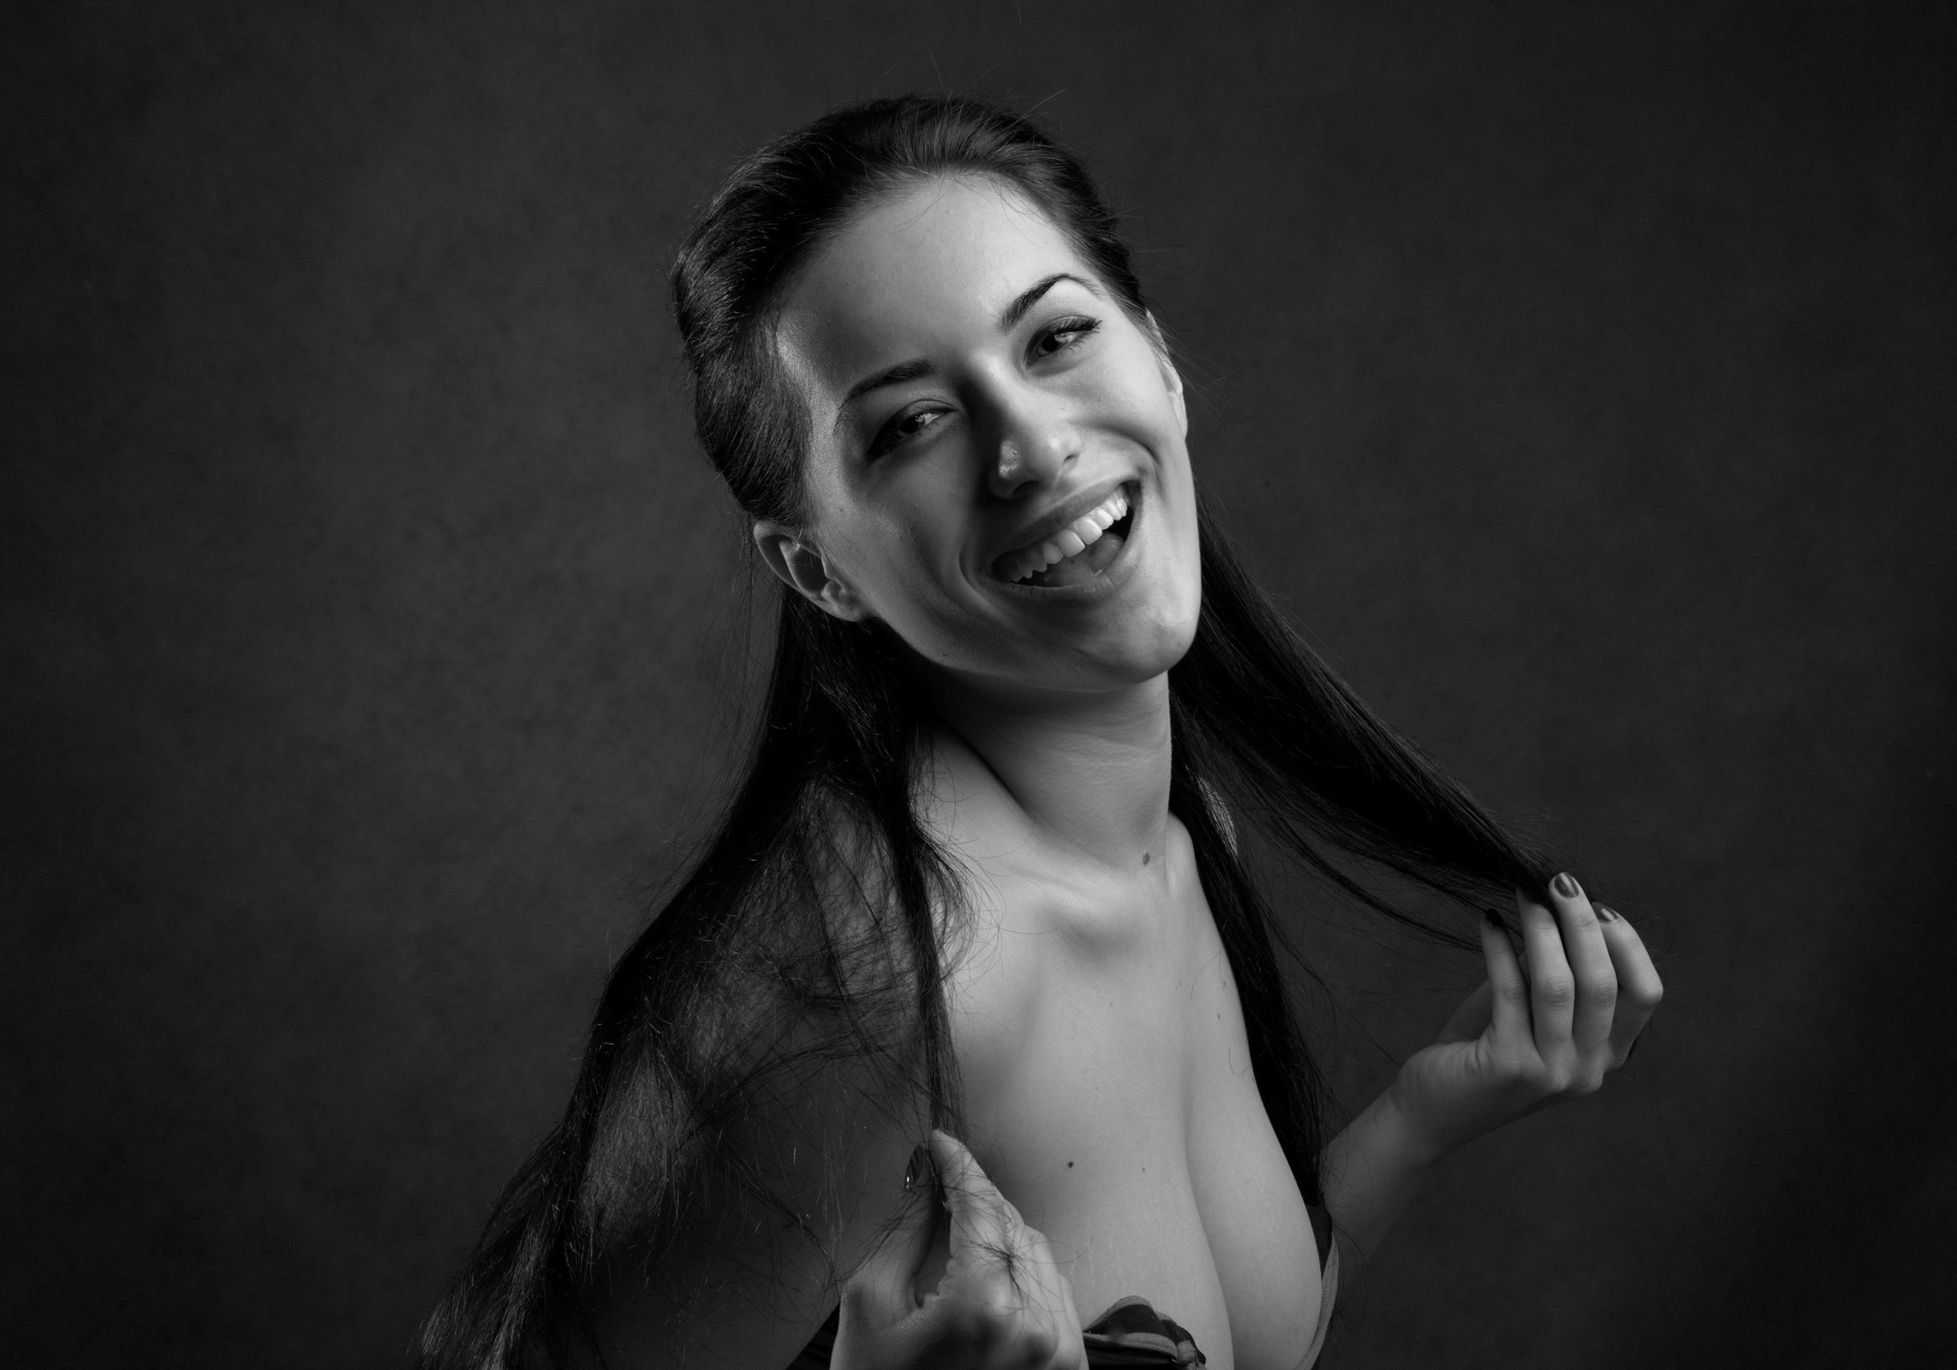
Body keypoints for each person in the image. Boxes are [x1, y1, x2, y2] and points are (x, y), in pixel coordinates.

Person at [418, 93, 1662, 1370]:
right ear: (816, 570)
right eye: (911, 422)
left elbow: (1236, 1336)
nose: (1030, 444)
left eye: (1056, 337)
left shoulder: (1185, 836)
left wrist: (1417, 1115)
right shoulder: (873, 977)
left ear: (1159, 360)